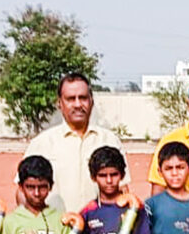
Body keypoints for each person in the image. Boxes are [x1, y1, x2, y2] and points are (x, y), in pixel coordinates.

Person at [22, 72, 128, 213]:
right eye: (71, 99)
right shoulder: (41, 144)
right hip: (56, 230)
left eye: (83, 98)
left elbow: (123, 189)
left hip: (98, 231)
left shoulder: (109, 140)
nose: (78, 104)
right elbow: (22, 192)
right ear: (59, 103)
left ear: (91, 101)